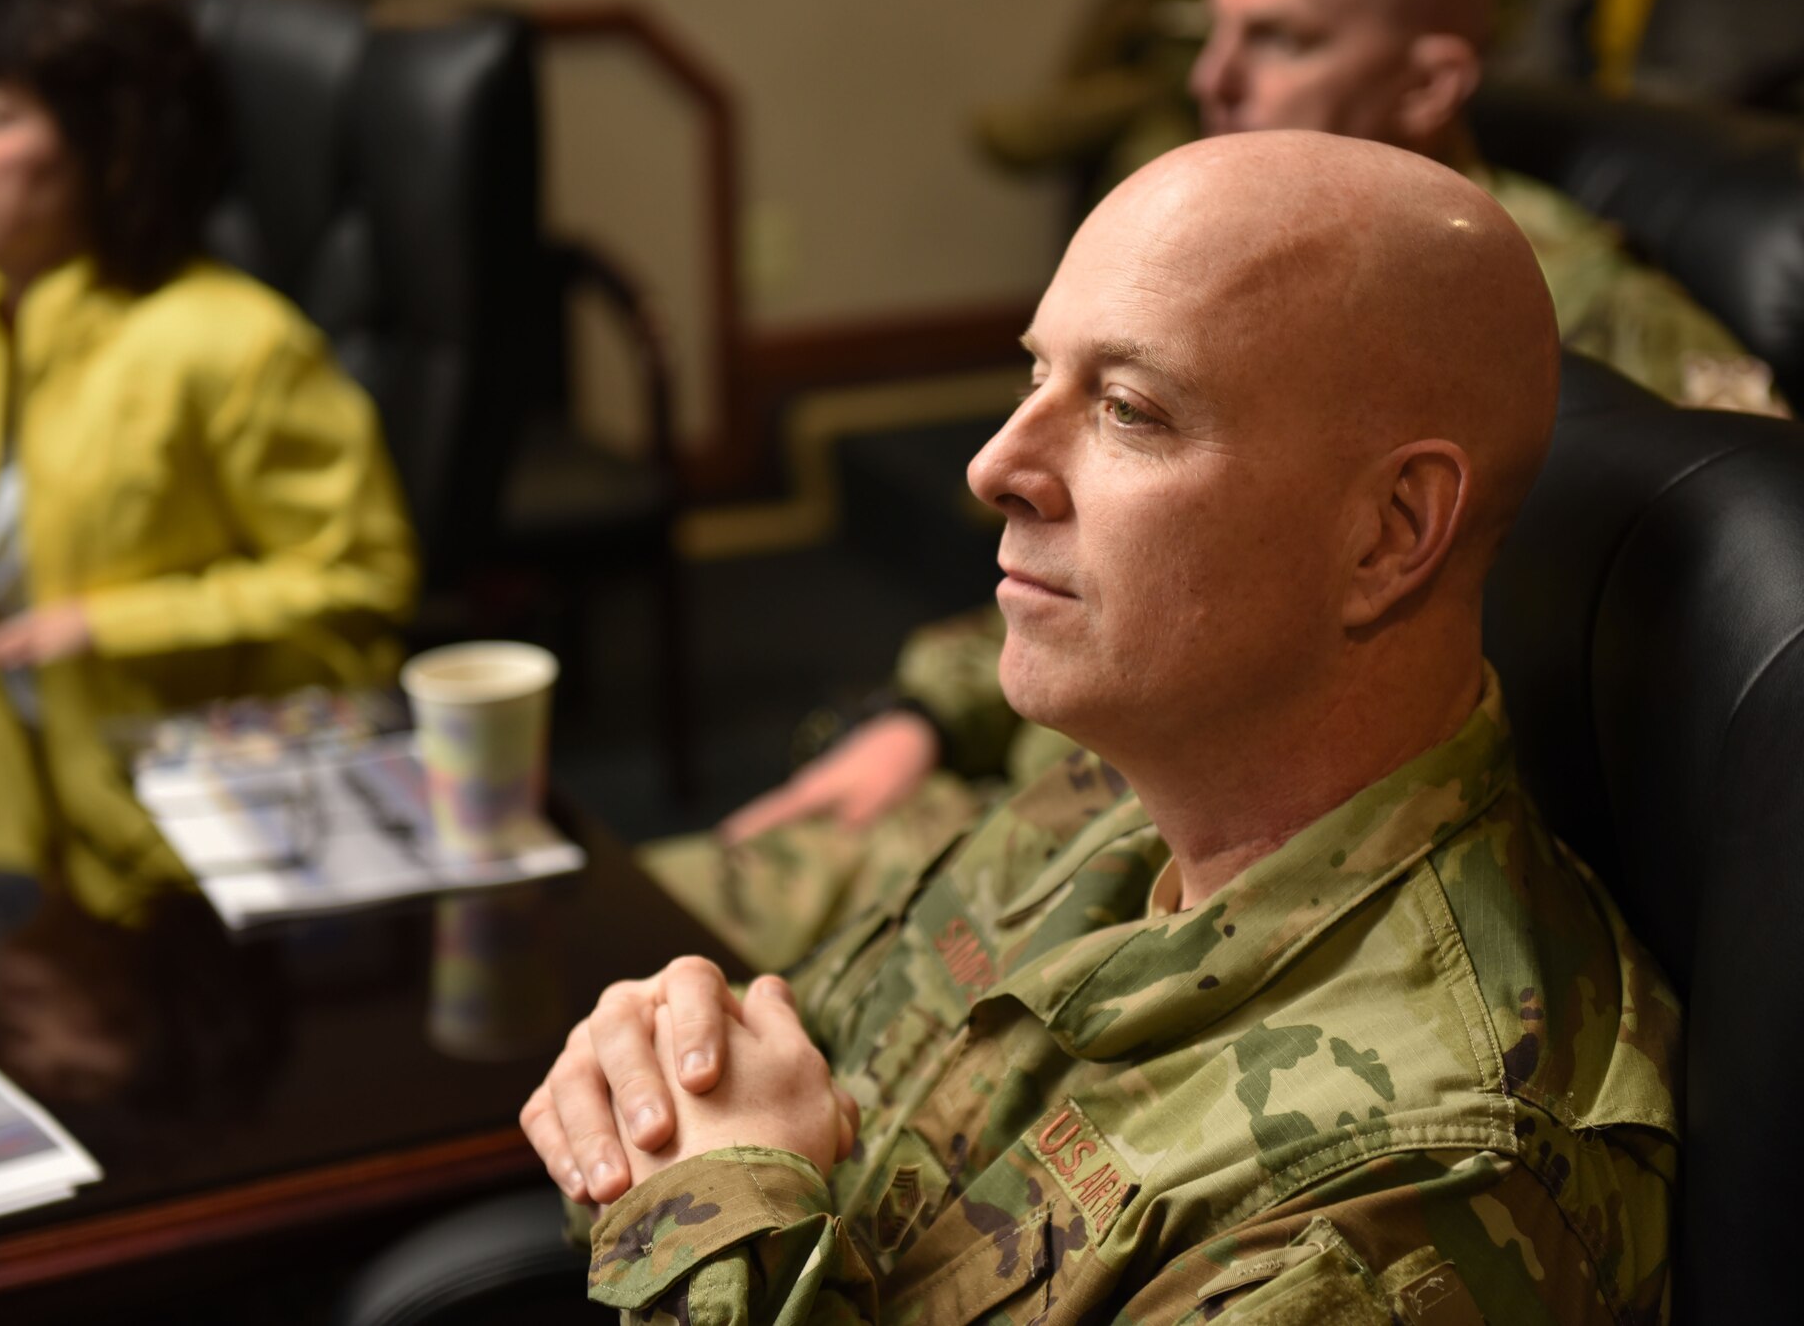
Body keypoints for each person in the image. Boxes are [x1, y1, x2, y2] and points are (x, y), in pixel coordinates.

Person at [523, 131, 1680, 1323]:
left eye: (1128, 410)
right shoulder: (1116, 784)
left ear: (1388, 534)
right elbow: (774, 1080)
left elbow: (731, 1188)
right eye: (1036, 377)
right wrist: (660, 1088)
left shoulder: (1427, 1177)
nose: (993, 466)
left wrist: (710, 1214)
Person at [649, 0, 1780, 974]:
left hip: (1276, 840)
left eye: (1281, 40)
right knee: (591, 938)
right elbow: (1105, 519)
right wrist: (930, 708)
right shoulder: (1195, 222)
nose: (1215, 78)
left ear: (1431, 85)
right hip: (1083, 790)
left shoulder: (1583, 323)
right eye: (1212, 31)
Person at [0, 0, 417, 681]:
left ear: (113, 150)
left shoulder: (234, 342)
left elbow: (362, 577)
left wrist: (111, 627)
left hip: (151, 759)